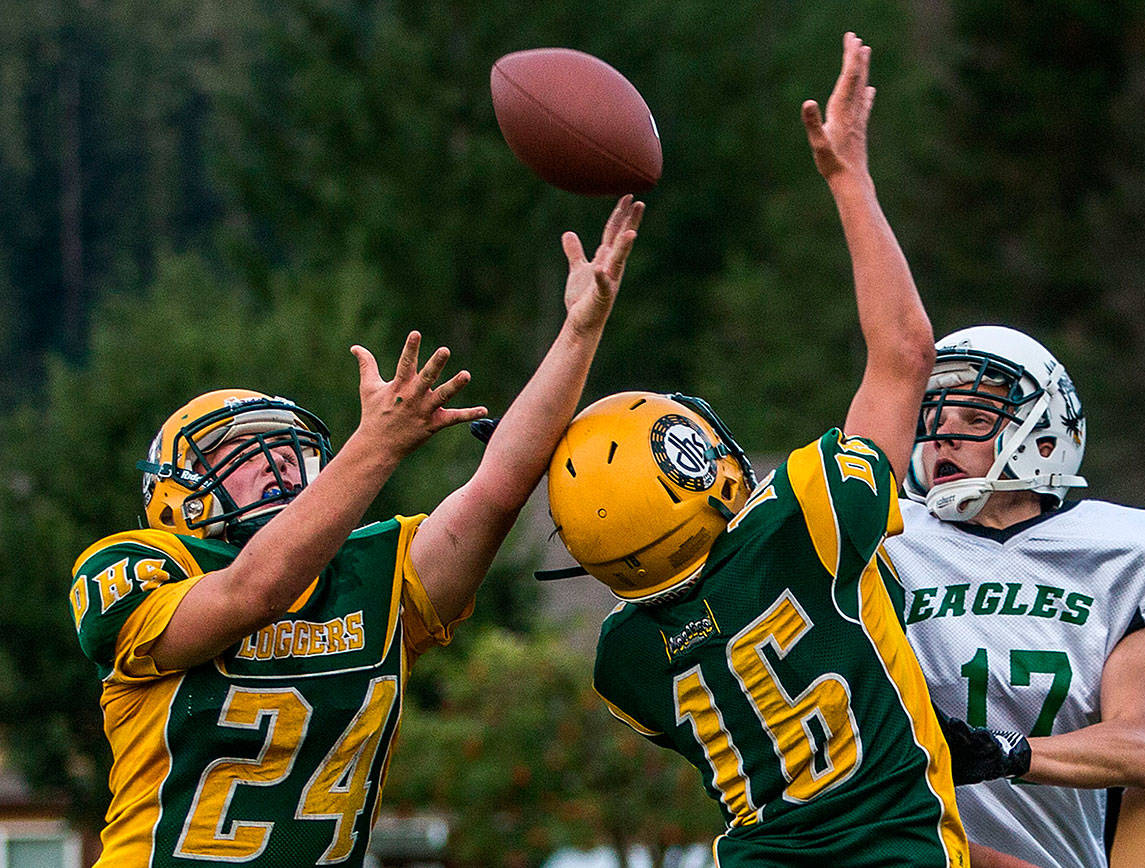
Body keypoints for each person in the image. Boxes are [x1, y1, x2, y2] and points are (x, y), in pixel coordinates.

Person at [540, 34, 1033, 868]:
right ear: (699, 475)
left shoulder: (622, 661)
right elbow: (906, 353)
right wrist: (849, 178)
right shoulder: (806, 519)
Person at [66, 196, 643, 866]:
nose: (278, 462)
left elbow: (499, 484)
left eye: (289, 449)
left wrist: (579, 332)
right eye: (242, 452)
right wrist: (377, 448)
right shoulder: (141, 564)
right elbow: (251, 594)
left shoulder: (373, 576)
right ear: (173, 490)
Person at [883, 324, 1145, 868]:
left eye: (974, 418)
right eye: (934, 419)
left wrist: (1005, 753)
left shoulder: (1124, 554)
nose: (942, 435)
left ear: (1044, 442)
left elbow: (1135, 747)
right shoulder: (892, 538)